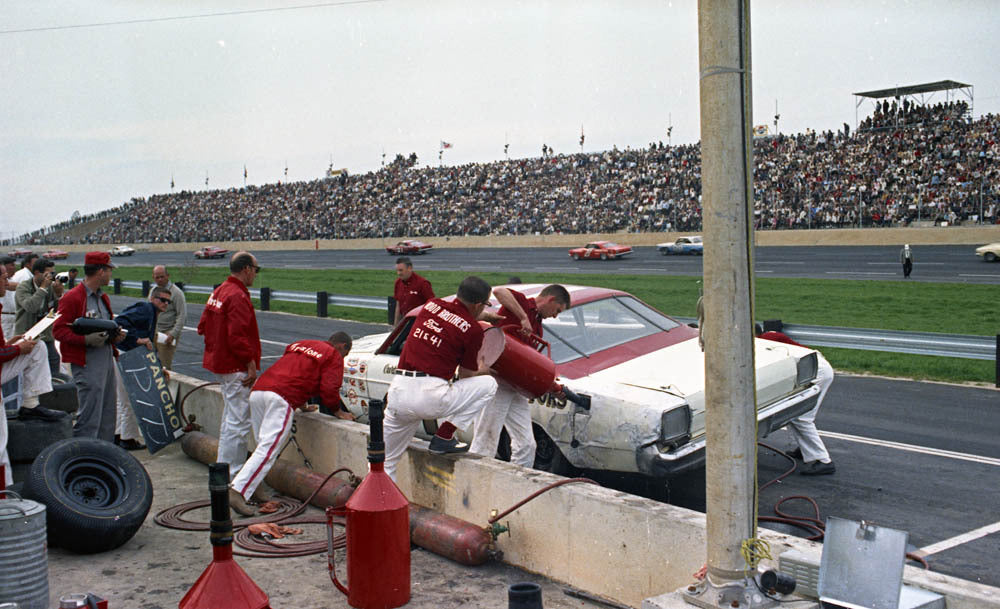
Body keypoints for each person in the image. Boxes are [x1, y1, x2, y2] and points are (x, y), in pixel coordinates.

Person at [383, 276, 498, 481]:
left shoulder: (431, 305)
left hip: (398, 392)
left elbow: (453, 315)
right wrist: (484, 369)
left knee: (385, 463)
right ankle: (444, 435)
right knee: (488, 385)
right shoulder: (473, 331)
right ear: (478, 305)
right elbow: (466, 376)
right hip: (430, 396)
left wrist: (483, 315)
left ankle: (377, 507)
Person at [228, 332, 352, 516]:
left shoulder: (301, 344)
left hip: (259, 391)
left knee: (261, 446)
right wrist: (338, 411)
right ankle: (237, 491)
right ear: (342, 346)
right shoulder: (332, 355)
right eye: (345, 355)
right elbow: (329, 388)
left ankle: (255, 487)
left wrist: (302, 405)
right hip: (281, 397)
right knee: (268, 450)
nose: (342, 358)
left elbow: (294, 371)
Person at [470, 284, 570, 467]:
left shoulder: (538, 328)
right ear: (551, 299)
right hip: (496, 381)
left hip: (515, 386)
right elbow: (499, 291)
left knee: (527, 445)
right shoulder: (522, 303)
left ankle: (518, 480)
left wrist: (549, 386)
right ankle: (473, 480)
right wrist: (523, 317)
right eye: (557, 310)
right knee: (486, 438)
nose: (555, 316)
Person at [197, 252, 262, 479]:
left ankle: (223, 468)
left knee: (230, 420)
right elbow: (238, 337)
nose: (256, 274)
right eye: (256, 269)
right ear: (246, 269)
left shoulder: (220, 290)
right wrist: (250, 363)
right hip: (235, 367)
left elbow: (202, 326)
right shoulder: (237, 295)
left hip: (221, 364)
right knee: (239, 422)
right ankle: (233, 475)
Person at [53, 252, 124, 441]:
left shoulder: (103, 298)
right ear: (100, 271)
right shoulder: (73, 298)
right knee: (90, 415)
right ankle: (83, 456)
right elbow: (58, 331)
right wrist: (85, 340)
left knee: (108, 413)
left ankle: (103, 456)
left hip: (106, 359)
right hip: (86, 362)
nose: (110, 275)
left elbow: (104, 327)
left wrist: (114, 336)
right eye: (109, 270)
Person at [755, 323, 835, 475]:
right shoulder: (770, 337)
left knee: (801, 417)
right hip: (811, 369)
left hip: (815, 371)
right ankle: (807, 449)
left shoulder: (766, 340)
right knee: (795, 413)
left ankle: (823, 460)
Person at [110, 286, 172, 450]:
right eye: (162, 299)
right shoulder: (145, 309)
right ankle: (128, 438)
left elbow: (150, 347)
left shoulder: (151, 315)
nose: (165, 303)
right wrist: (137, 339)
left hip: (123, 355)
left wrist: (159, 369)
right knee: (129, 400)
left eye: (168, 301)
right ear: (153, 299)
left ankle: (117, 435)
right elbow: (119, 322)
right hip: (125, 356)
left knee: (121, 400)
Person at [15, 257, 64, 375]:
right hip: (27, 335)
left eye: (53, 273)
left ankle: (53, 390)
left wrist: (58, 295)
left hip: (46, 335)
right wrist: (42, 288)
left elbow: (57, 311)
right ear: (37, 273)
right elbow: (31, 307)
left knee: (54, 360)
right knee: (30, 369)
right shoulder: (23, 287)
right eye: (48, 274)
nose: (51, 277)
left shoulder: (51, 287)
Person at [149, 265, 186, 369]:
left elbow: (182, 315)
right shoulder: (153, 291)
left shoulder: (176, 293)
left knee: (164, 366)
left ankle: (166, 384)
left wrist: (173, 333)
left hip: (167, 334)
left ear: (168, 276)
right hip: (153, 332)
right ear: (153, 277)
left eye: (162, 276)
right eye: (157, 277)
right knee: (151, 364)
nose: (160, 279)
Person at [393, 256, 434, 326]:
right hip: (405, 322)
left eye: (401, 270)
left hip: (419, 323)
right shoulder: (398, 283)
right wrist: (395, 325)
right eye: (397, 270)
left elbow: (432, 306)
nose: (398, 273)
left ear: (410, 268)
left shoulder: (423, 283)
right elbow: (398, 305)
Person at [0, 257, 18, 339]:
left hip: (13, 317)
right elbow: (14, 286)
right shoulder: (6, 281)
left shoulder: (12, 279)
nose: (14, 267)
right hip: (5, 317)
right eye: (12, 265)